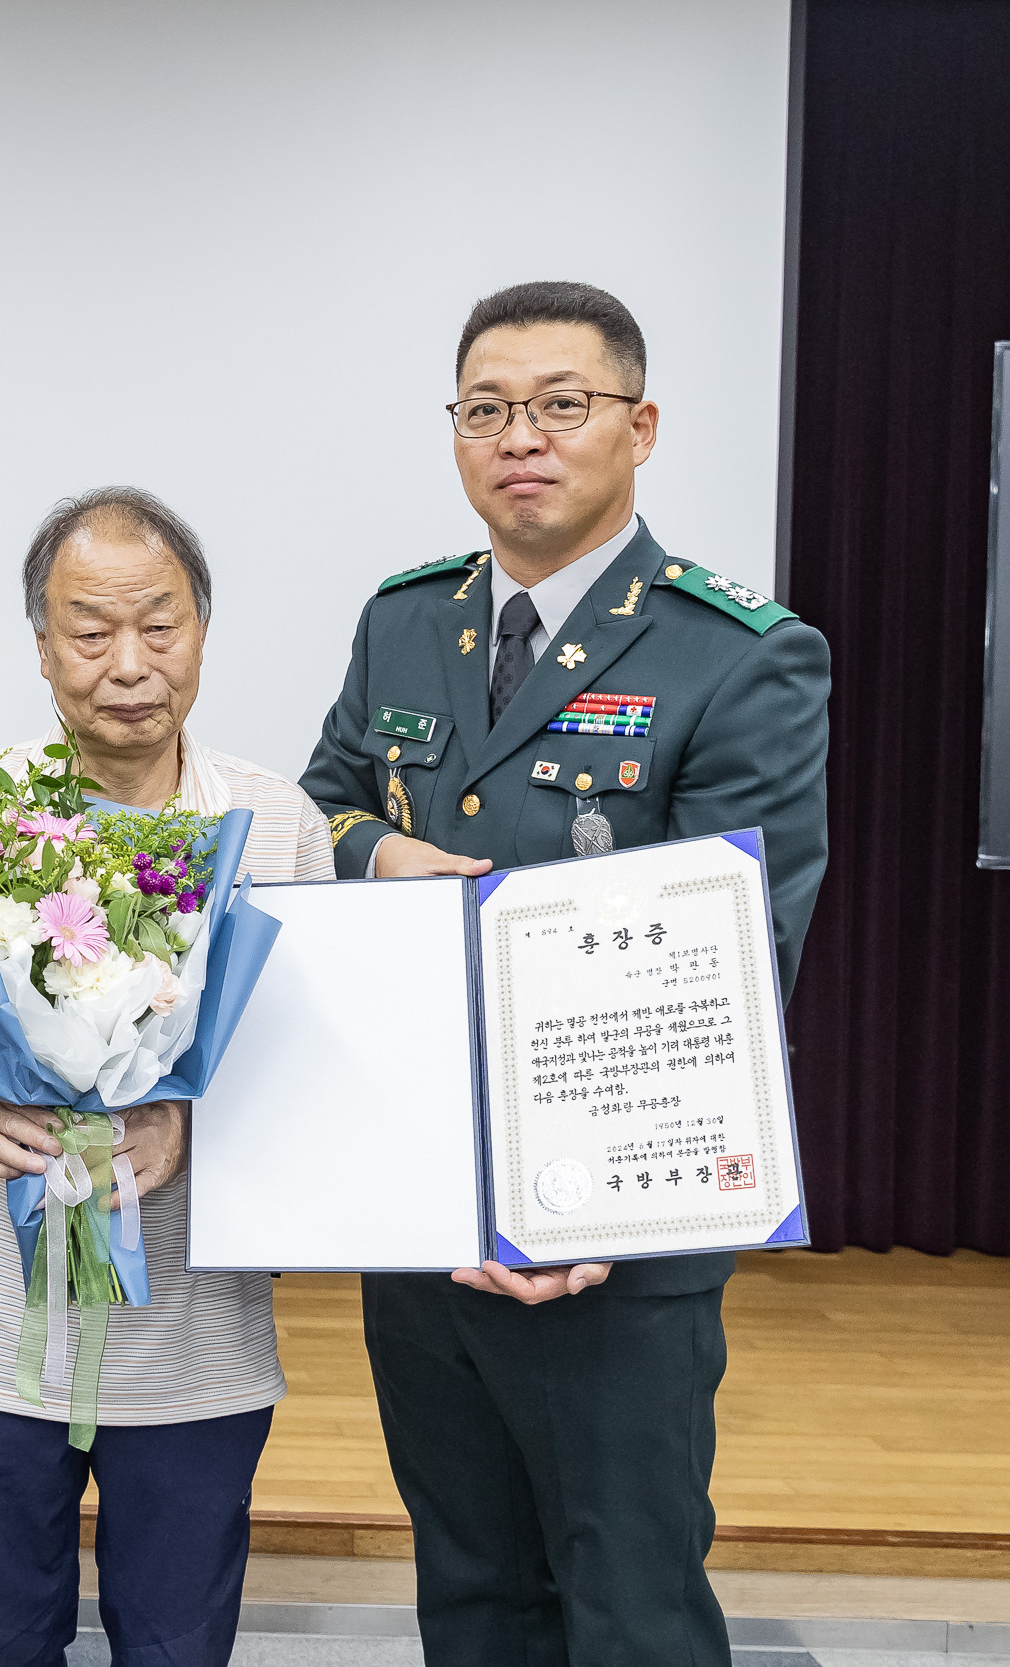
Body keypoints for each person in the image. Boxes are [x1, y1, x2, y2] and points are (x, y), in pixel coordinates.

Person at [300, 281, 831, 1666]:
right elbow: (320, 811)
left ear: (639, 426)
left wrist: (585, 1192)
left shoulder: (740, 654)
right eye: (486, 410)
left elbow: (739, 950)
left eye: (560, 405)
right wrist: (374, 855)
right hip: (422, 1201)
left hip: (614, 1227)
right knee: (470, 1579)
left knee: (630, 1595)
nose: (519, 437)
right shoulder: (406, 620)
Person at [0, 488, 334, 1666]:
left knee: (175, 1641)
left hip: (198, 1343)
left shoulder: (276, 825)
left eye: (158, 626)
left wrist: (190, 1118)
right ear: (40, 647)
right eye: (89, 631)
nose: (128, 664)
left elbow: (311, 1069)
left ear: (203, 635)